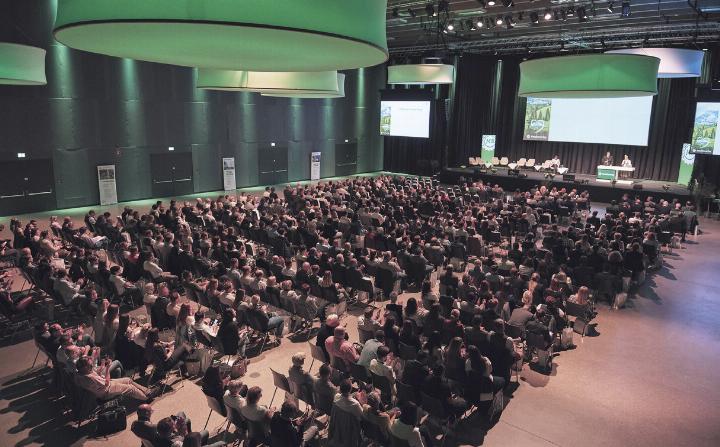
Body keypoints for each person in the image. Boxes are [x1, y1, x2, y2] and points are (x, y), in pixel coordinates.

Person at [74, 356, 152, 402]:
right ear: (85, 367)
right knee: (130, 388)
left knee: (128, 380)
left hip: (104, 388)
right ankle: (146, 398)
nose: (92, 367)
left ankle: (145, 390)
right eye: (90, 366)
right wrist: (107, 368)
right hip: (106, 392)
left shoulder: (80, 373)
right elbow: (107, 382)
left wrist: (103, 364)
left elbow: (97, 374)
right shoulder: (89, 377)